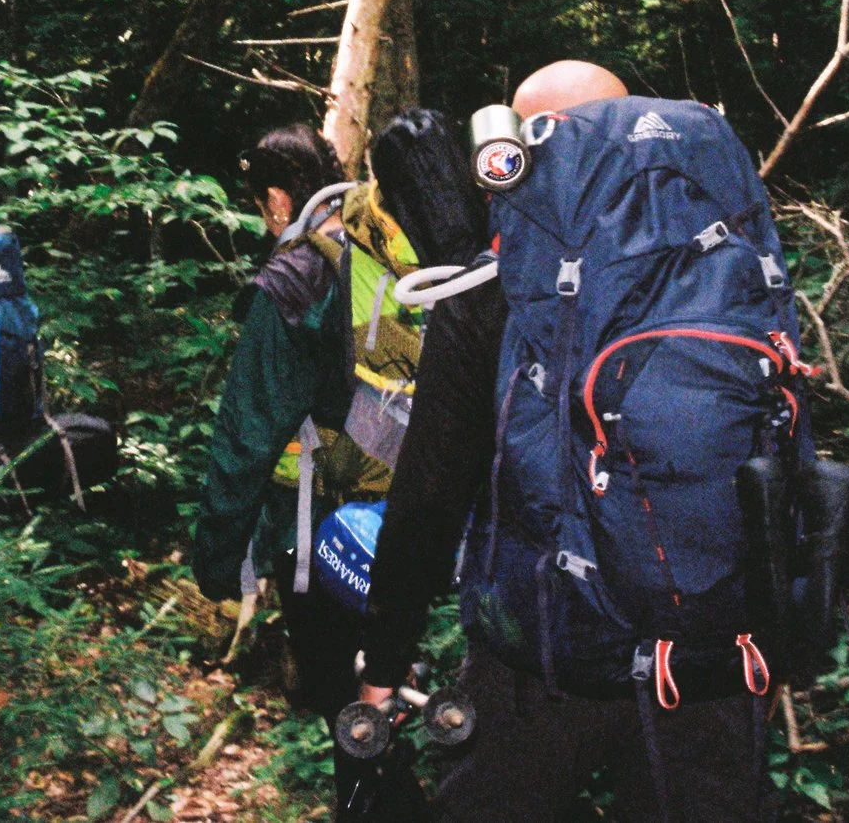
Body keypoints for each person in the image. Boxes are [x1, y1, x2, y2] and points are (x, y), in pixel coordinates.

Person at [356, 61, 785, 823]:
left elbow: (429, 497)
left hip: (543, 663)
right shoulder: (734, 271)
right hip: (712, 663)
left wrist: (383, 670)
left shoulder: (492, 291)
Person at [194, 123, 424, 820]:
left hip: (321, 530)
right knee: (390, 678)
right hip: (413, 508)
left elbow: (246, 436)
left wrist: (217, 564)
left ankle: (376, 810)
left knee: (346, 706)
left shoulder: (294, 277)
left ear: (274, 198)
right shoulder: (385, 248)